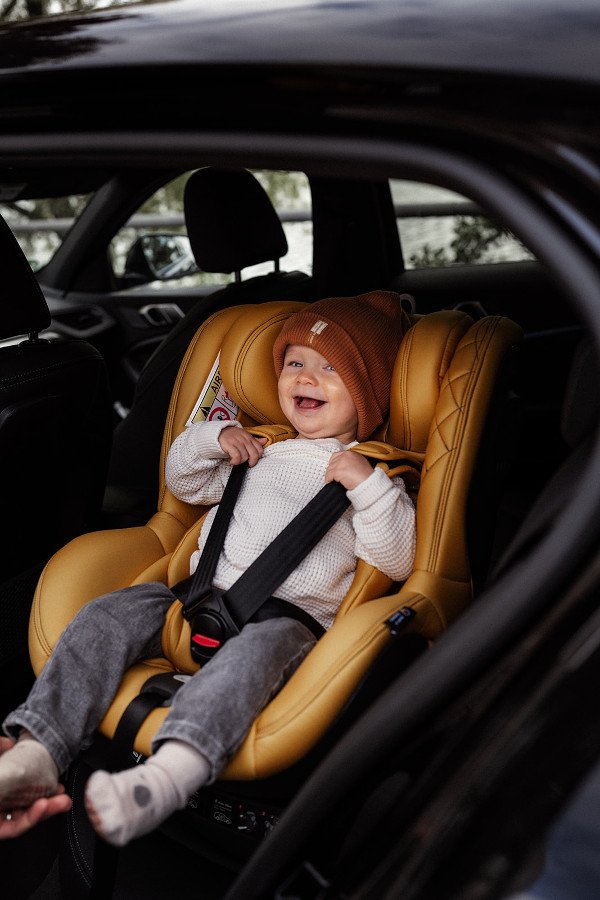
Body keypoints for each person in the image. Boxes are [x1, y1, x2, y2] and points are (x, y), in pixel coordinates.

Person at [0, 291, 416, 847]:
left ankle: (164, 780)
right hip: (192, 598)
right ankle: (37, 750)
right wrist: (214, 440)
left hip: (285, 621)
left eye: (330, 369)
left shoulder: (376, 475)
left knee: (250, 660)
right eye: (295, 362)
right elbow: (184, 483)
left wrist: (367, 487)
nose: (305, 377)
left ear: (367, 392)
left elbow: (397, 558)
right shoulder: (261, 449)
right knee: (104, 617)